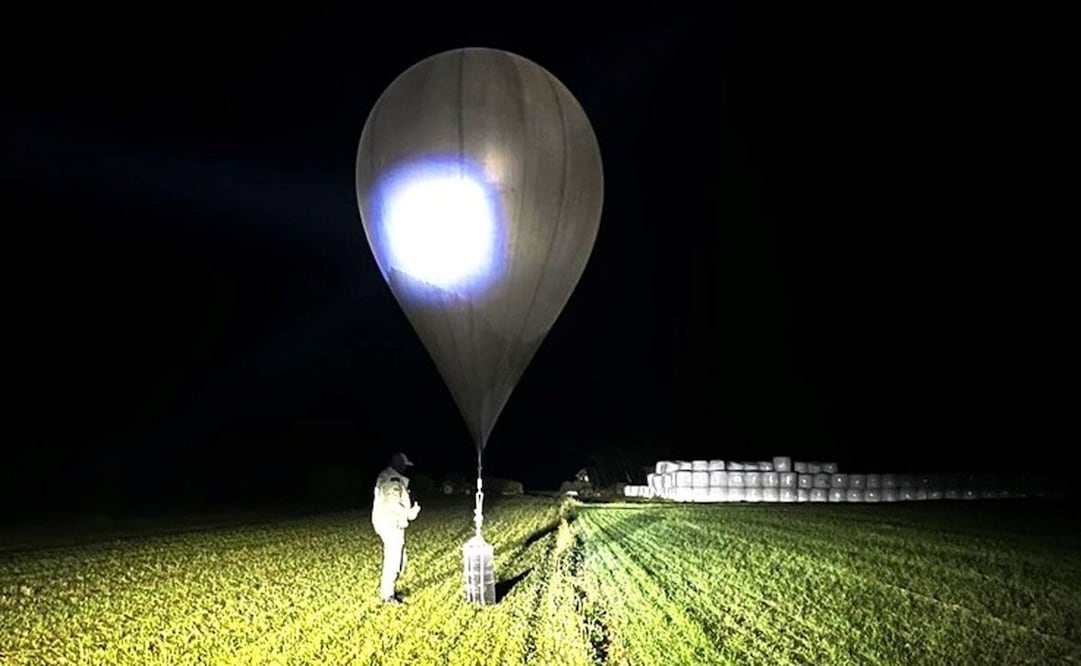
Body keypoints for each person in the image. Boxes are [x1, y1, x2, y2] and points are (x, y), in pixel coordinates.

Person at [371, 452, 421, 604]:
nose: (406, 468)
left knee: (399, 558)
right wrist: (410, 513)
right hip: (391, 523)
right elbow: (392, 503)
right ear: (398, 464)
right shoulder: (394, 480)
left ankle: (389, 590)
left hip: (385, 521)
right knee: (393, 558)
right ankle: (387, 596)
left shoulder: (385, 475)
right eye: (404, 465)